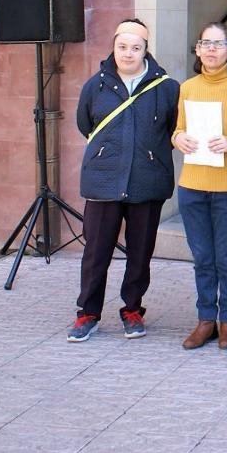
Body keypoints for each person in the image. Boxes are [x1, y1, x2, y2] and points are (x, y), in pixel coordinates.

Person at [67, 19, 180, 342]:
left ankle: (132, 309)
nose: (128, 53)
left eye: (136, 47)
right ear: (113, 46)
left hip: (147, 180)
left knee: (140, 252)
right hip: (103, 181)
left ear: (146, 50)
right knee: (96, 252)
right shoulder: (96, 86)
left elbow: (173, 129)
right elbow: (84, 123)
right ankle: (87, 313)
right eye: (122, 47)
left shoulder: (166, 88)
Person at [172, 22, 227, 351]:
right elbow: (177, 130)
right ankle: (206, 319)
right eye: (205, 43)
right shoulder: (187, 87)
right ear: (197, 49)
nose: (211, 49)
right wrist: (179, 139)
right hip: (192, 185)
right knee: (203, 257)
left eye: (219, 44)